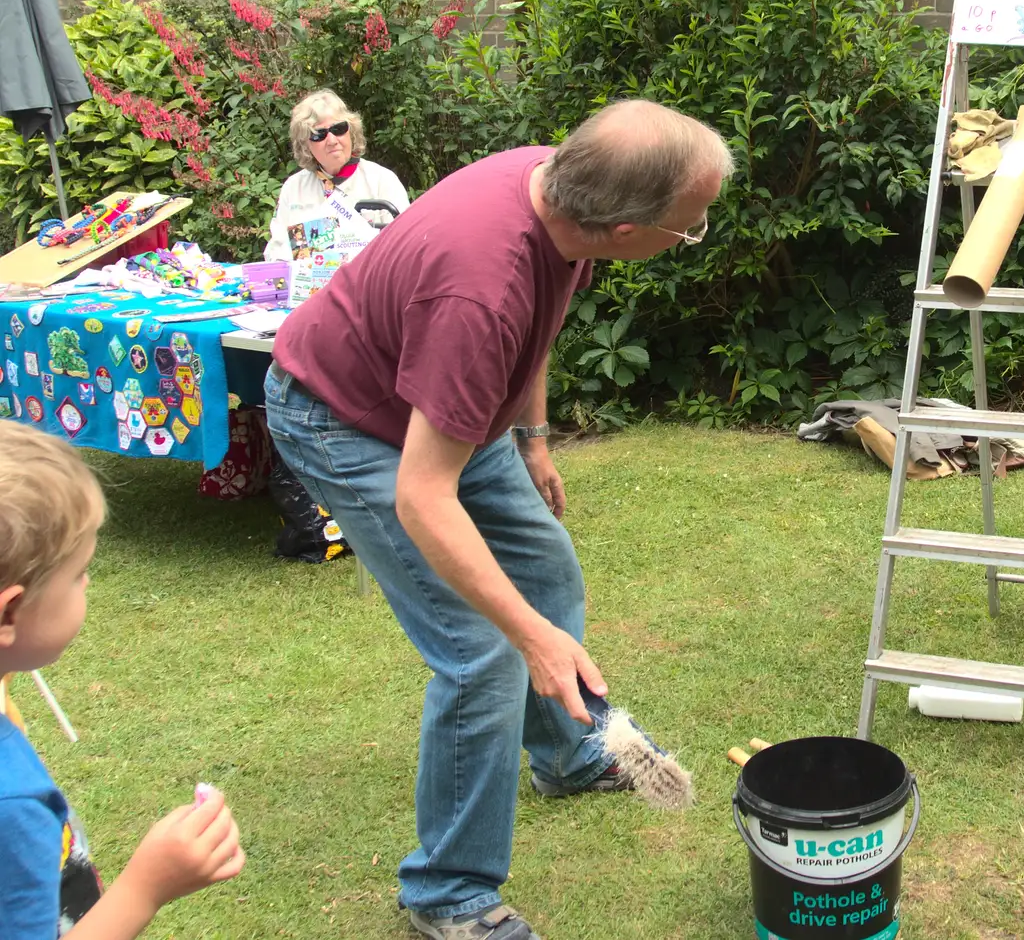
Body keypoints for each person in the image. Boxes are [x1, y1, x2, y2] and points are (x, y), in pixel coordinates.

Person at [264, 99, 732, 940]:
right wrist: (533, 638)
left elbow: (537, 322)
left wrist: (532, 436)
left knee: (545, 569)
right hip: (344, 421)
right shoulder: (481, 288)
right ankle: (450, 896)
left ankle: (566, 757)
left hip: (453, 415)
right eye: (689, 229)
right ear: (627, 228)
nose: (692, 237)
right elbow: (422, 494)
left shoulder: (561, 184)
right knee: (481, 653)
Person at [0, 422, 246, 937]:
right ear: (10, 614)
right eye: (78, 572)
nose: (87, 582)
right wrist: (146, 886)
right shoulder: (11, 807)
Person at [263, 89, 410, 262]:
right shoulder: (294, 188)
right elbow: (275, 252)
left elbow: (406, 247)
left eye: (338, 129)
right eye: (319, 134)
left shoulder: (382, 181)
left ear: (351, 132)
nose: (332, 140)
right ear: (305, 144)